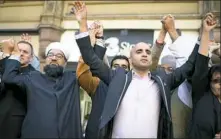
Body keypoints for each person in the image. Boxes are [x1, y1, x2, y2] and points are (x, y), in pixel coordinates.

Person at [73, 1, 210, 138]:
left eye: (147, 52)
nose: (144, 53)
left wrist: (204, 34)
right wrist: (83, 24)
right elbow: (91, 59)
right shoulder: (117, 78)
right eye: (139, 51)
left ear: (151, 59)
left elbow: (189, 65)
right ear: (130, 60)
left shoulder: (163, 81)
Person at [2, 41, 82, 138]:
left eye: (59, 56)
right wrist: (15, 55)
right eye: (50, 55)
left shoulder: (72, 80)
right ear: (46, 60)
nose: (53, 58)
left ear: (65, 62)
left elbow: (93, 67)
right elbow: (9, 78)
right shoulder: (33, 78)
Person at [0, 36, 39, 139]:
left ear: (31, 58)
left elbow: (9, 79)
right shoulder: (3, 67)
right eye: (18, 51)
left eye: (25, 52)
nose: (21, 54)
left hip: (15, 126)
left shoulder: (34, 75)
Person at [188, 13, 220, 139]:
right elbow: (201, 63)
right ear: (209, 82)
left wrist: (218, 52)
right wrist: (206, 32)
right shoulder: (201, 94)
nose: (220, 83)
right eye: (216, 80)